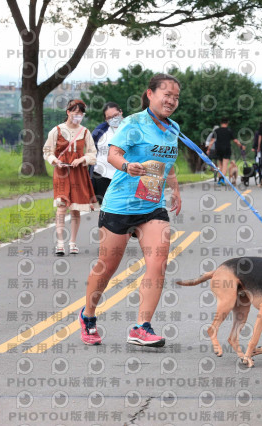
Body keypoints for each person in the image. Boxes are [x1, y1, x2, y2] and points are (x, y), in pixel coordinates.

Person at [79, 73, 182, 347]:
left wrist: (176, 189)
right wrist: (127, 166)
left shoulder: (173, 128)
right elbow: (113, 154)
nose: (171, 100)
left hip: (152, 205)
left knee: (158, 263)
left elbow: (167, 163)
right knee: (106, 268)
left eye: (176, 97)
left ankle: (141, 327)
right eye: (166, 94)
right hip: (120, 204)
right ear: (150, 94)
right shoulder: (134, 122)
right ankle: (88, 315)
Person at [43, 99, 99, 256]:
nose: (78, 116)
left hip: (79, 173)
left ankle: (72, 242)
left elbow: (92, 154)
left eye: (81, 113)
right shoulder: (56, 131)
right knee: (61, 207)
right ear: (68, 112)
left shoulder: (85, 132)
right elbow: (47, 151)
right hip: (61, 173)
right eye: (75, 113)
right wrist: (55, 161)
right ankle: (60, 244)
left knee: (75, 209)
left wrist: (82, 160)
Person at [90, 102, 123, 204]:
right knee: (105, 210)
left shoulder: (132, 129)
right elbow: (91, 150)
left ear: (121, 112)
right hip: (101, 176)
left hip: (123, 177)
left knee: (122, 210)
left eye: (115, 115)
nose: (113, 119)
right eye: (109, 118)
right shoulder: (100, 131)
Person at [206, 118, 244, 185]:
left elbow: (212, 141)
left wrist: (208, 149)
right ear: (227, 123)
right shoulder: (229, 131)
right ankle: (222, 179)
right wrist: (241, 146)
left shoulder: (217, 131)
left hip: (218, 149)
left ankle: (219, 179)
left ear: (221, 123)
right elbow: (235, 141)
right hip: (226, 149)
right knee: (225, 165)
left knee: (220, 165)